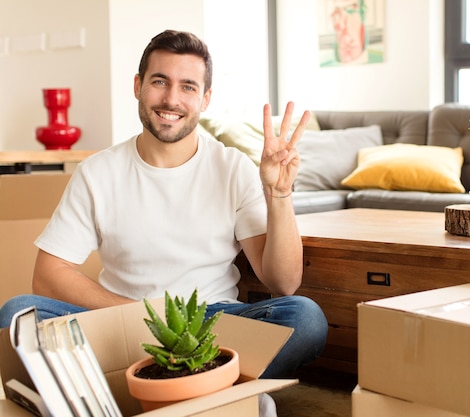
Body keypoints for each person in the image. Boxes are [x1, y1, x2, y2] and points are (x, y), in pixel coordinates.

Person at [0, 29, 328, 387]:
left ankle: (153, 383)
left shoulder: (233, 167)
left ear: (205, 98)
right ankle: (214, 386)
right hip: (124, 320)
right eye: (160, 81)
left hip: (211, 324)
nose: (172, 99)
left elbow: (283, 281)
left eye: (188, 86)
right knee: (16, 314)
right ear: (138, 85)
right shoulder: (98, 171)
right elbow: (48, 275)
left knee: (305, 318)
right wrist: (139, 314)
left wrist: (279, 194)